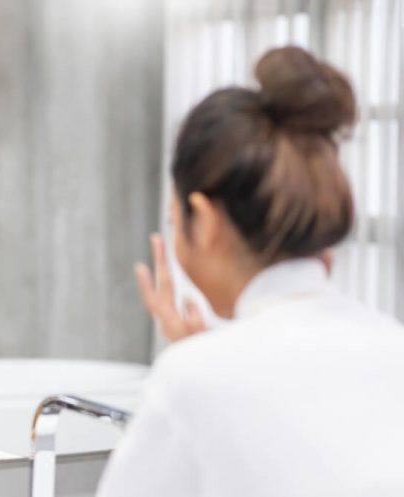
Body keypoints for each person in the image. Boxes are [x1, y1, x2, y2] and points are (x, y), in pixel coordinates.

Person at [97, 46, 404, 496]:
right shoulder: (392, 345)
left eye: (174, 217)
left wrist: (200, 364)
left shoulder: (191, 381)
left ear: (202, 220)